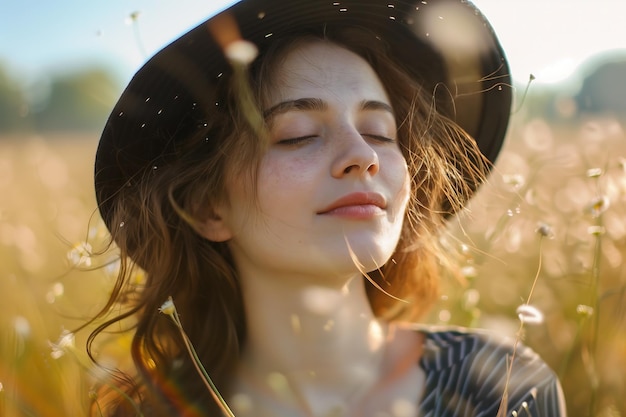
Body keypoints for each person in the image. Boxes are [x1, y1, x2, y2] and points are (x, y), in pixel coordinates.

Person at [88, 0, 567, 416]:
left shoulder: (504, 390)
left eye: (381, 132)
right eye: (297, 135)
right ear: (208, 207)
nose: (364, 155)